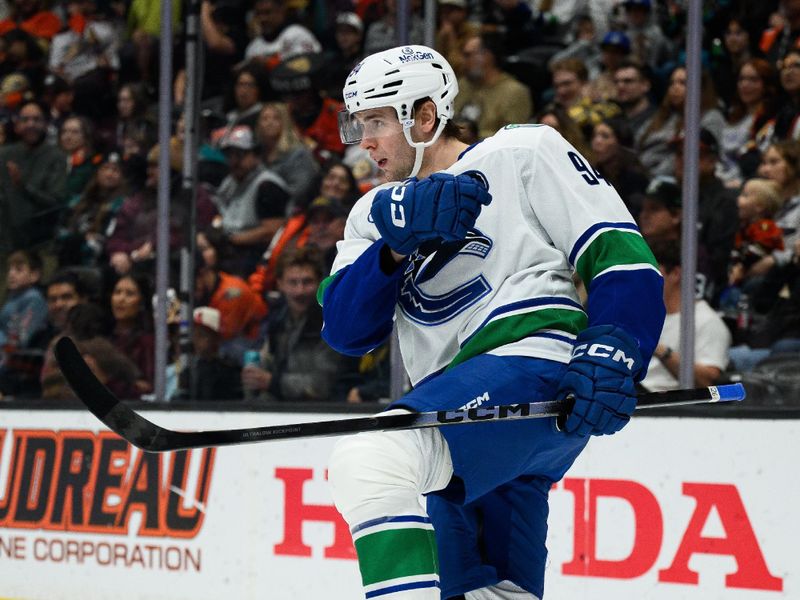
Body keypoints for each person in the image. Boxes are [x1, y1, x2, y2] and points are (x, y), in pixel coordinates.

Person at [322, 45, 665, 599]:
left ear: (425, 116)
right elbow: (344, 330)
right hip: (463, 419)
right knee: (491, 593)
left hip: (532, 365)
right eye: (357, 124)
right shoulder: (372, 214)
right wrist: (391, 249)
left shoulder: (522, 151)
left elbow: (622, 258)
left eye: (377, 121)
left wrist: (614, 346)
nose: (364, 141)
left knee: (373, 457)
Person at [241, 246, 346, 402]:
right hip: (281, 410)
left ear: (320, 283)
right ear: (280, 284)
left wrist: (271, 382)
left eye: (307, 282)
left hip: (325, 413)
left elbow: (321, 385)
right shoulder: (276, 321)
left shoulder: (331, 323)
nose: (300, 291)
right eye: (293, 282)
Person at [640, 239, 731, 392]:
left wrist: (660, 350)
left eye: (650, 271)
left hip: (664, 405)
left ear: (675, 274)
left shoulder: (707, 322)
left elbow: (708, 381)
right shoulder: (641, 313)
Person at [214, 125, 291, 276]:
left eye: (240, 155)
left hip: (258, 255)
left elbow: (273, 230)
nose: (234, 161)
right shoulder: (231, 181)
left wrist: (233, 239)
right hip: (233, 250)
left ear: (255, 155)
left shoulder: (267, 185)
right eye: (230, 155)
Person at [453, 33, 533, 140]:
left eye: (467, 55)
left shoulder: (515, 92)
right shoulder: (463, 85)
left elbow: (514, 138)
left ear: (486, 57)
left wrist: (474, 135)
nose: (462, 61)